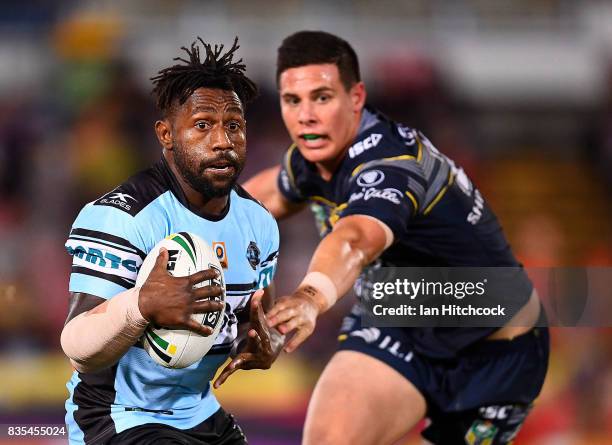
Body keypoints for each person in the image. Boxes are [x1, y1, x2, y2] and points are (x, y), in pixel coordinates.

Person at [244, 31, 549, 445]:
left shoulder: (391, 164)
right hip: (398, 319)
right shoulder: (312, 156)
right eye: (292, 101)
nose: (306, 116)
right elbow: (264, 195)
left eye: (322, 97)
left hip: (492, 355)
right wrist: (174, 225)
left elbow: (355, 239)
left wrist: (310, 298)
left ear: (356, 98)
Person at [60, 37, 283, 445]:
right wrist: (141, 306)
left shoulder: (260, 224)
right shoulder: (123, 216)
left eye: (233, 126)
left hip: (200, 413)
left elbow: (253, 322)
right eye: (202, 125)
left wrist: (266, 346)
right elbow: (76, 347)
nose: (221, 141)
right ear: (166, 134)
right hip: (118, 416)